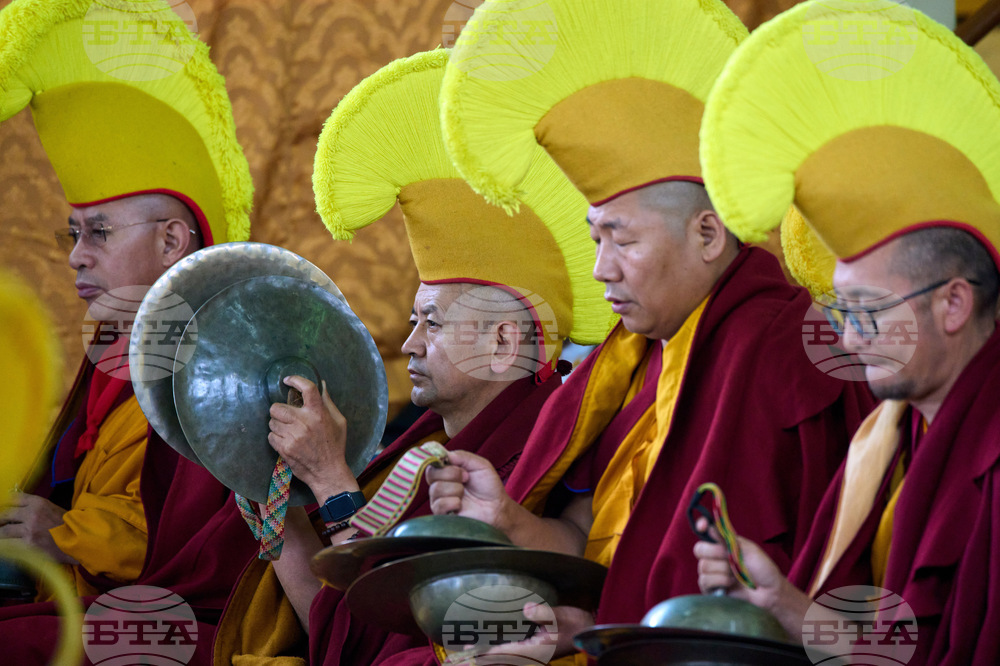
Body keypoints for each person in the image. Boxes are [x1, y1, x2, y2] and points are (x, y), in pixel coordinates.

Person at [425, 0, 876, 658]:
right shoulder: (628, 363)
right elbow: (602, 545)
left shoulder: (778, 348)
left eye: (622, 239)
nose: (602, 268)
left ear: (707, 233)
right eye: (594, 238)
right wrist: (509, 520)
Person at [210, 48, 613, 665]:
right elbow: (341, 637)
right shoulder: (415, 451)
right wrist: (284, 523)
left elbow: (415, 643)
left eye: (432, 323)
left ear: (503, 341)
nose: (409, 345)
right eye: (412, 321)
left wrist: (331, 480)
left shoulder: (561, 446)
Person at [692, 3, 1000, 664]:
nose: (850, 342)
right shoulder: (895, 436)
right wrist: (781, 604)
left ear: (953, 303)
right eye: (842, 316)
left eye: (866, 313)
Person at [0, 1, 257, 662]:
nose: (75, 257)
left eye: (100, 233)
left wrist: (64, 535)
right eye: (73, 235)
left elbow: (194, 547)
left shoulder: (215, 360)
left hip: (184, 622)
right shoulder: (114, 351)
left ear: (173, 240)